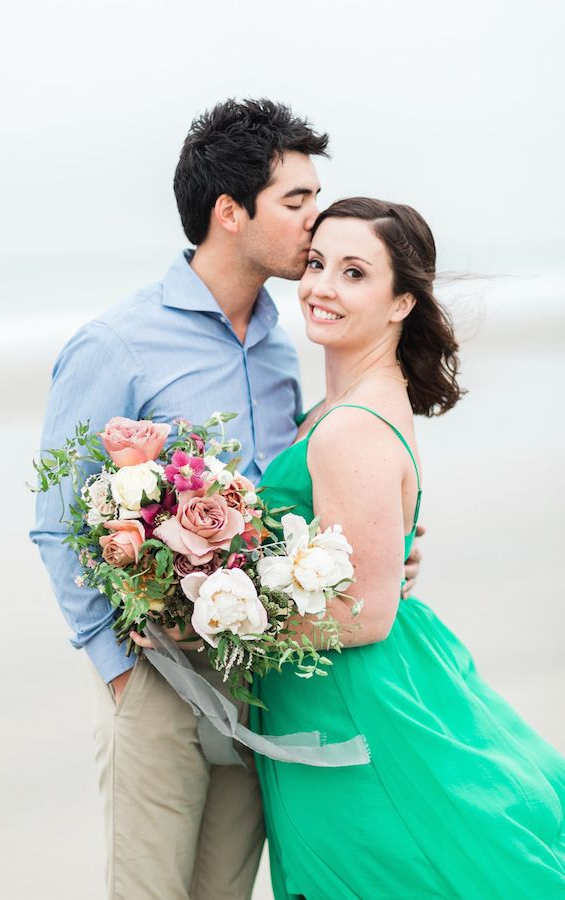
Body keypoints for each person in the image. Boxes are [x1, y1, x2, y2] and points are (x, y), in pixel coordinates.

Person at [31, 102, 423, 899]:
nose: (316, 221)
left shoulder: (286, 337)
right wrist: (119, 674)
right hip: (156, 675)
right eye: (296, 200)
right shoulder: (118, 342)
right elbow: (55, 520)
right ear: (230, 213)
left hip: (261, 672)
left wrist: (377, 547)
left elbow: (294, 494)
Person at [250, 197, 565, 899]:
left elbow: (364, 614)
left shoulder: (349, 427)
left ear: (400, 303)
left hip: (355, 704)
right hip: (343, 689)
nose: (322, 286)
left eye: (354, 272)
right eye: (316, 263)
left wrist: (220, 625)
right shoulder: (345, 405)